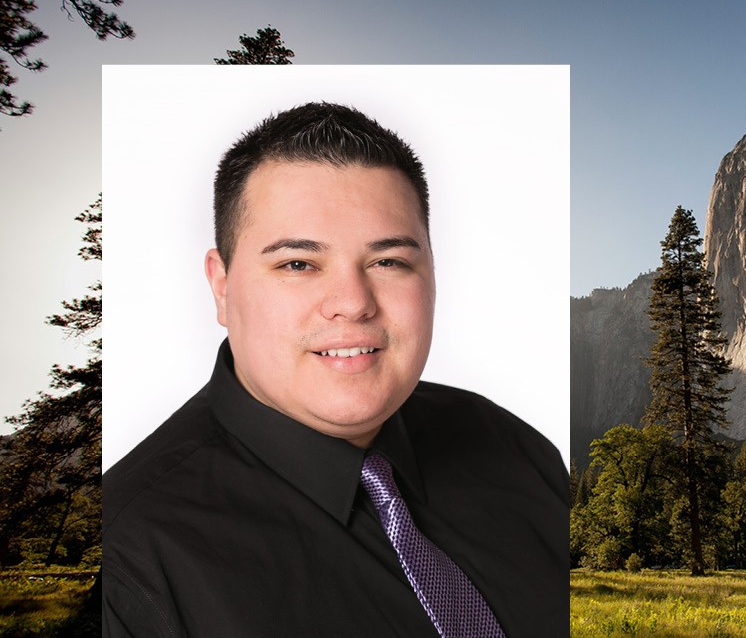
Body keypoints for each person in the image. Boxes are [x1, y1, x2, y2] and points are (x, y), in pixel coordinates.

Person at [102, 102, 568, 636]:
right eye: (297, 264)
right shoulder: (130, 569)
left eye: (388, 261)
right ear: (222, 286)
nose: (352, 302)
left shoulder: (521, 453)